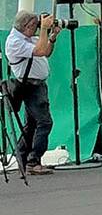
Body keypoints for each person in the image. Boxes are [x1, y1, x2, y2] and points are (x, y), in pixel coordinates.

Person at [4, 9, 61, 175]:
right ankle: (33, 160)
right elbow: (40, 51)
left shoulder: (28, 37)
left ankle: (23, 158)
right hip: (30, 86)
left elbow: (47, 52)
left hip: (37, 85)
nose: (36, 28)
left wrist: (52, 37)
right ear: (26, 25)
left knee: (32, 125)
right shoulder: (15, 41)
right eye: (34, 26)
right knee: (45, 122)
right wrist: (44, 29)